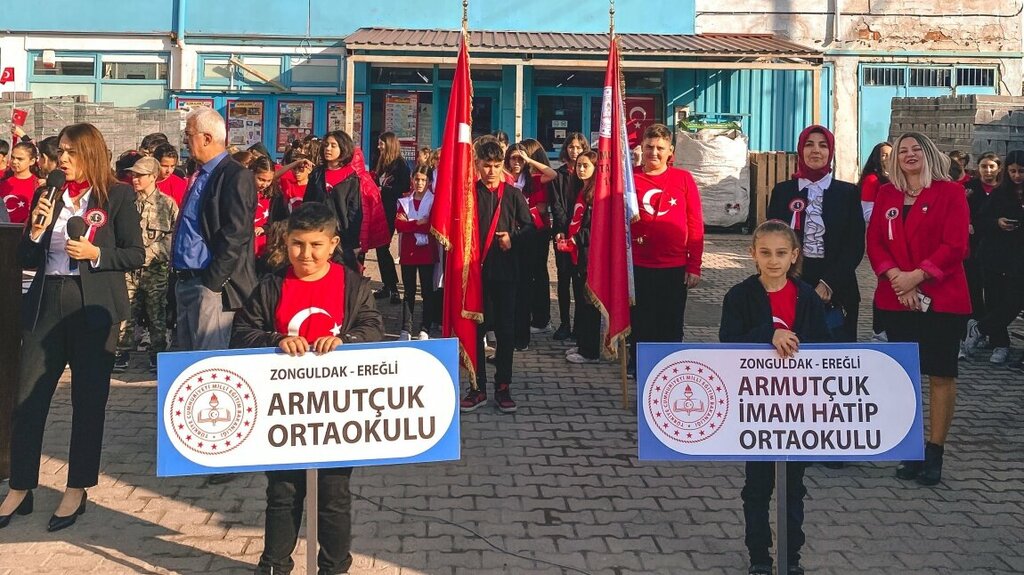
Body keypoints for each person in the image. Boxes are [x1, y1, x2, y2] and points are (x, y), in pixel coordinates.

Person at [1, 122, 144, 532]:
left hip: (92, 306)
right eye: (60, 151)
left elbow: (135, 253)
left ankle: (77, 487)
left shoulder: (117, 195)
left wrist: (96, 253)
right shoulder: (48, 193)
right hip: (47, 301)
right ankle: (20, 485)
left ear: (90, 153)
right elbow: (28, 257)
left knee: (87, 401)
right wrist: (36, 230)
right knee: (27, 398)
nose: (62, 158)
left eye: (70, 151)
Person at [231, 201, 384, 575]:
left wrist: (346, 340)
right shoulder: (271, 286)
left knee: (334, 495)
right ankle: (274, 565)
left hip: (337, 414)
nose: (306, 254)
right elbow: (242, 333)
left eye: (316, 245)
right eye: (297, 244)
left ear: (333, 244)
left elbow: (373, 329)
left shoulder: (353, 285)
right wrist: (275, 339)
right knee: (282, 492)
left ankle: (334, 567)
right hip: (283, 414)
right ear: (286, 241)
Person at [720, 220, 829, 575]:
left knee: (793, 487)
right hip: (756, 407)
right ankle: (759, 556)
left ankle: (791, 556)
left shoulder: (807, 297)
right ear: (752, 254)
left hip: (797, 407)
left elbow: (824, 348)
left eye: (781, 253)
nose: (773, 260)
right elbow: (727, 344)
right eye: (765, 253)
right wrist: (770, 332)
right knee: (757, 486)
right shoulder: (739, 296)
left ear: (794, 255)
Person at [867, 131, 971, 486]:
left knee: (941, 375)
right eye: (902, 151)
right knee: (905, 376)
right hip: (897, 298)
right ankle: (910, 449)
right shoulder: (887, 194)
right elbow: (875, 242)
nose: (909, 155)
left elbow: (955, 245)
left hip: (942, 299)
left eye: (916, 149)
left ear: (928, 154)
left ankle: (935, 450)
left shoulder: (950, 192)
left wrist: (917, 277)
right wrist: (898, 278)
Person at [173, 108, 258, 484]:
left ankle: (226, 458)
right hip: (187, 281)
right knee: (191, 366)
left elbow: (236, 235)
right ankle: (198, 445)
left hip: (213, 288)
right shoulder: (198, 174)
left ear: (207, 138)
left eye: (189, 134)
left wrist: (213, 282)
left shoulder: (234, 175)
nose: (185, 140)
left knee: (214, 371)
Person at [767, 125, 865, 344]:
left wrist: (829, 283)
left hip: (837, 289)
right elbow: (772, 240)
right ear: (800, 149)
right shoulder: (783, 192)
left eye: (823, 145)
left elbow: (854, 246)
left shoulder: (847, 193)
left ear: (830, 151)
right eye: (809, 144)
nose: (816, 151)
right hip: (790, 286)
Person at [460, 140, 535, 414]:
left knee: (505, 332)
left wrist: (512, 238)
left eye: (496, 166)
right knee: (476, 332)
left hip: (506, 274)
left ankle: (503, 386)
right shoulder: (468, 195)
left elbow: (530, 229)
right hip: (475, 275)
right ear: (477, 165)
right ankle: (476, 387)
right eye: (486, 166)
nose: (491, 171)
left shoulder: (513, 195)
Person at [628, 124, 704, 377]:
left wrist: (694, 265)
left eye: (660, 148)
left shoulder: (684, 179)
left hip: (674, 267)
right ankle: (638, 365)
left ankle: (669, 366)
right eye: (649, 147)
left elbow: (695, 224)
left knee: (670, 322)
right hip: (638, 265)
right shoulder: (629, 179)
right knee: (640, 320)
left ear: (670, 150)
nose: (654, 152)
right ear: (642, 147)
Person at [113, 156, 179, 372]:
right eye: (133, 174)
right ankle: (121, 353)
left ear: (153, 177)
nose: (135, 179)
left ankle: (157, 354)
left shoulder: (166, 204)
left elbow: (173, 237)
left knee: (156, 313)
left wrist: (147, 255)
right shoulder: (127, 201)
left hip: (155, 269)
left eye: (140, 175)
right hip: (128, 268)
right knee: (125, 311)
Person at [964, 150, 1024, 366]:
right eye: (1013, 171)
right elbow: (980, 221)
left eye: (1021, 171)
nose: (1017, 176)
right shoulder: (1000, 193)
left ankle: (980, 328)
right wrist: (997, 222)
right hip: (994, 255)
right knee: (994, 300)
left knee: (1015, 301)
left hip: (1018, 258)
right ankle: (1000, 344)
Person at [511, 139, 558, 348]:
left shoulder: (536, 178)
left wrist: (530, 161)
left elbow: (551, 175)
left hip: (536, 231)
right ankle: (526, 316)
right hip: (517, 232)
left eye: (522, 157)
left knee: (537, 274)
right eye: (514, 157)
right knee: (521, 276)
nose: (518, 161)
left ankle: (541, 318)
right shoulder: (512, 178)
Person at [558, 150, 600, 364]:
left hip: (590, 255)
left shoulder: (598, 193)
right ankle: (583, 342)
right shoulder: (580, 190)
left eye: (586, 166)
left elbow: (597, 227)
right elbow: (574, 218)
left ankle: (590, 351)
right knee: (581, 302)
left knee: (589, 304)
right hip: (577, 255)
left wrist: (576, 239)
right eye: (579, 165)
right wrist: (564, 234)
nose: (581, 169)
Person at [550, 133, 590, 341]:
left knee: (580, 282)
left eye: (578, 147)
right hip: (563, 233)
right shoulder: (559, 175)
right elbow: (556, 204)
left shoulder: (587, 176)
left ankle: (580, 326)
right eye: (571, 147)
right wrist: (563, 228)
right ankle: (564, 323)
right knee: (563, 280)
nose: (574, 151)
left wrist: (577, 232)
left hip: (582, 236)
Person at [303, 130, 362, 271]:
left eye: (333, 145)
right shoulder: (317, 174)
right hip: (317, 231)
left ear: (343, 148)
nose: (328, 149)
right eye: (326, 145)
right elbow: (307, 202)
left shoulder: (351, 177)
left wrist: (353, 240)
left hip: (342, 237)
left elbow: (355, 211)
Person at [395, 165, 438, 340]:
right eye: (417, 179)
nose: (419, 183)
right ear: (412, 180)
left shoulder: (434, 201)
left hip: (426, 252)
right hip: (408, 251)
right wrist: (418, 223)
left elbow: (432, 226)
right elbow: (399, 225)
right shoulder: (405, 201)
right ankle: (406, 329)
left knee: (427, 291)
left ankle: (425, 328)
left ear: (429, 182)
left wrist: (410, 223)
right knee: (409, 291)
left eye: (423, 180)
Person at [859, 142, 893, 342]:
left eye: (890, 154)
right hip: (881, 237)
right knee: (884, 284)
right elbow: (867, 212)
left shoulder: (896, 178)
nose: (887, 158)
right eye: (883, 155)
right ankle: (878, 330)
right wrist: (891, 216)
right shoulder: (872, 180)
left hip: (896, 237)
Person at [372, 132, 410, 303]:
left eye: (381, 144)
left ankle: (394, 288)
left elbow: (404, 188)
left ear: (389, 144)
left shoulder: (400, 165)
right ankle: (388, 286)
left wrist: (384, 190)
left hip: (391, 210)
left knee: (383, 247)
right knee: (380, 247)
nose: (378, 146)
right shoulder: (379, 161)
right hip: (378, 209)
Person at [964, 152, 1001, 326]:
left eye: (991, 166)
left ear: (998, 168)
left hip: (997, 243)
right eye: (984, 166)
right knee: (974, 285)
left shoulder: (1004, 189)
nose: (988, 171)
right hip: (973, 243)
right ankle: (976, 322)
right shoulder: (969, 188)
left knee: (995, 289)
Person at [0, 141, 39, 224]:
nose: (14, 162)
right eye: (12, 157)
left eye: (20, 159)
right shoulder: (3, 183)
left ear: (32, 161)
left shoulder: (38, 184)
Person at [153, 143, 187, 207]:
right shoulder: (144, 180)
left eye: (172, 166)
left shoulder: (179, 185)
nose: (168, 170)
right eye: (164, 166)